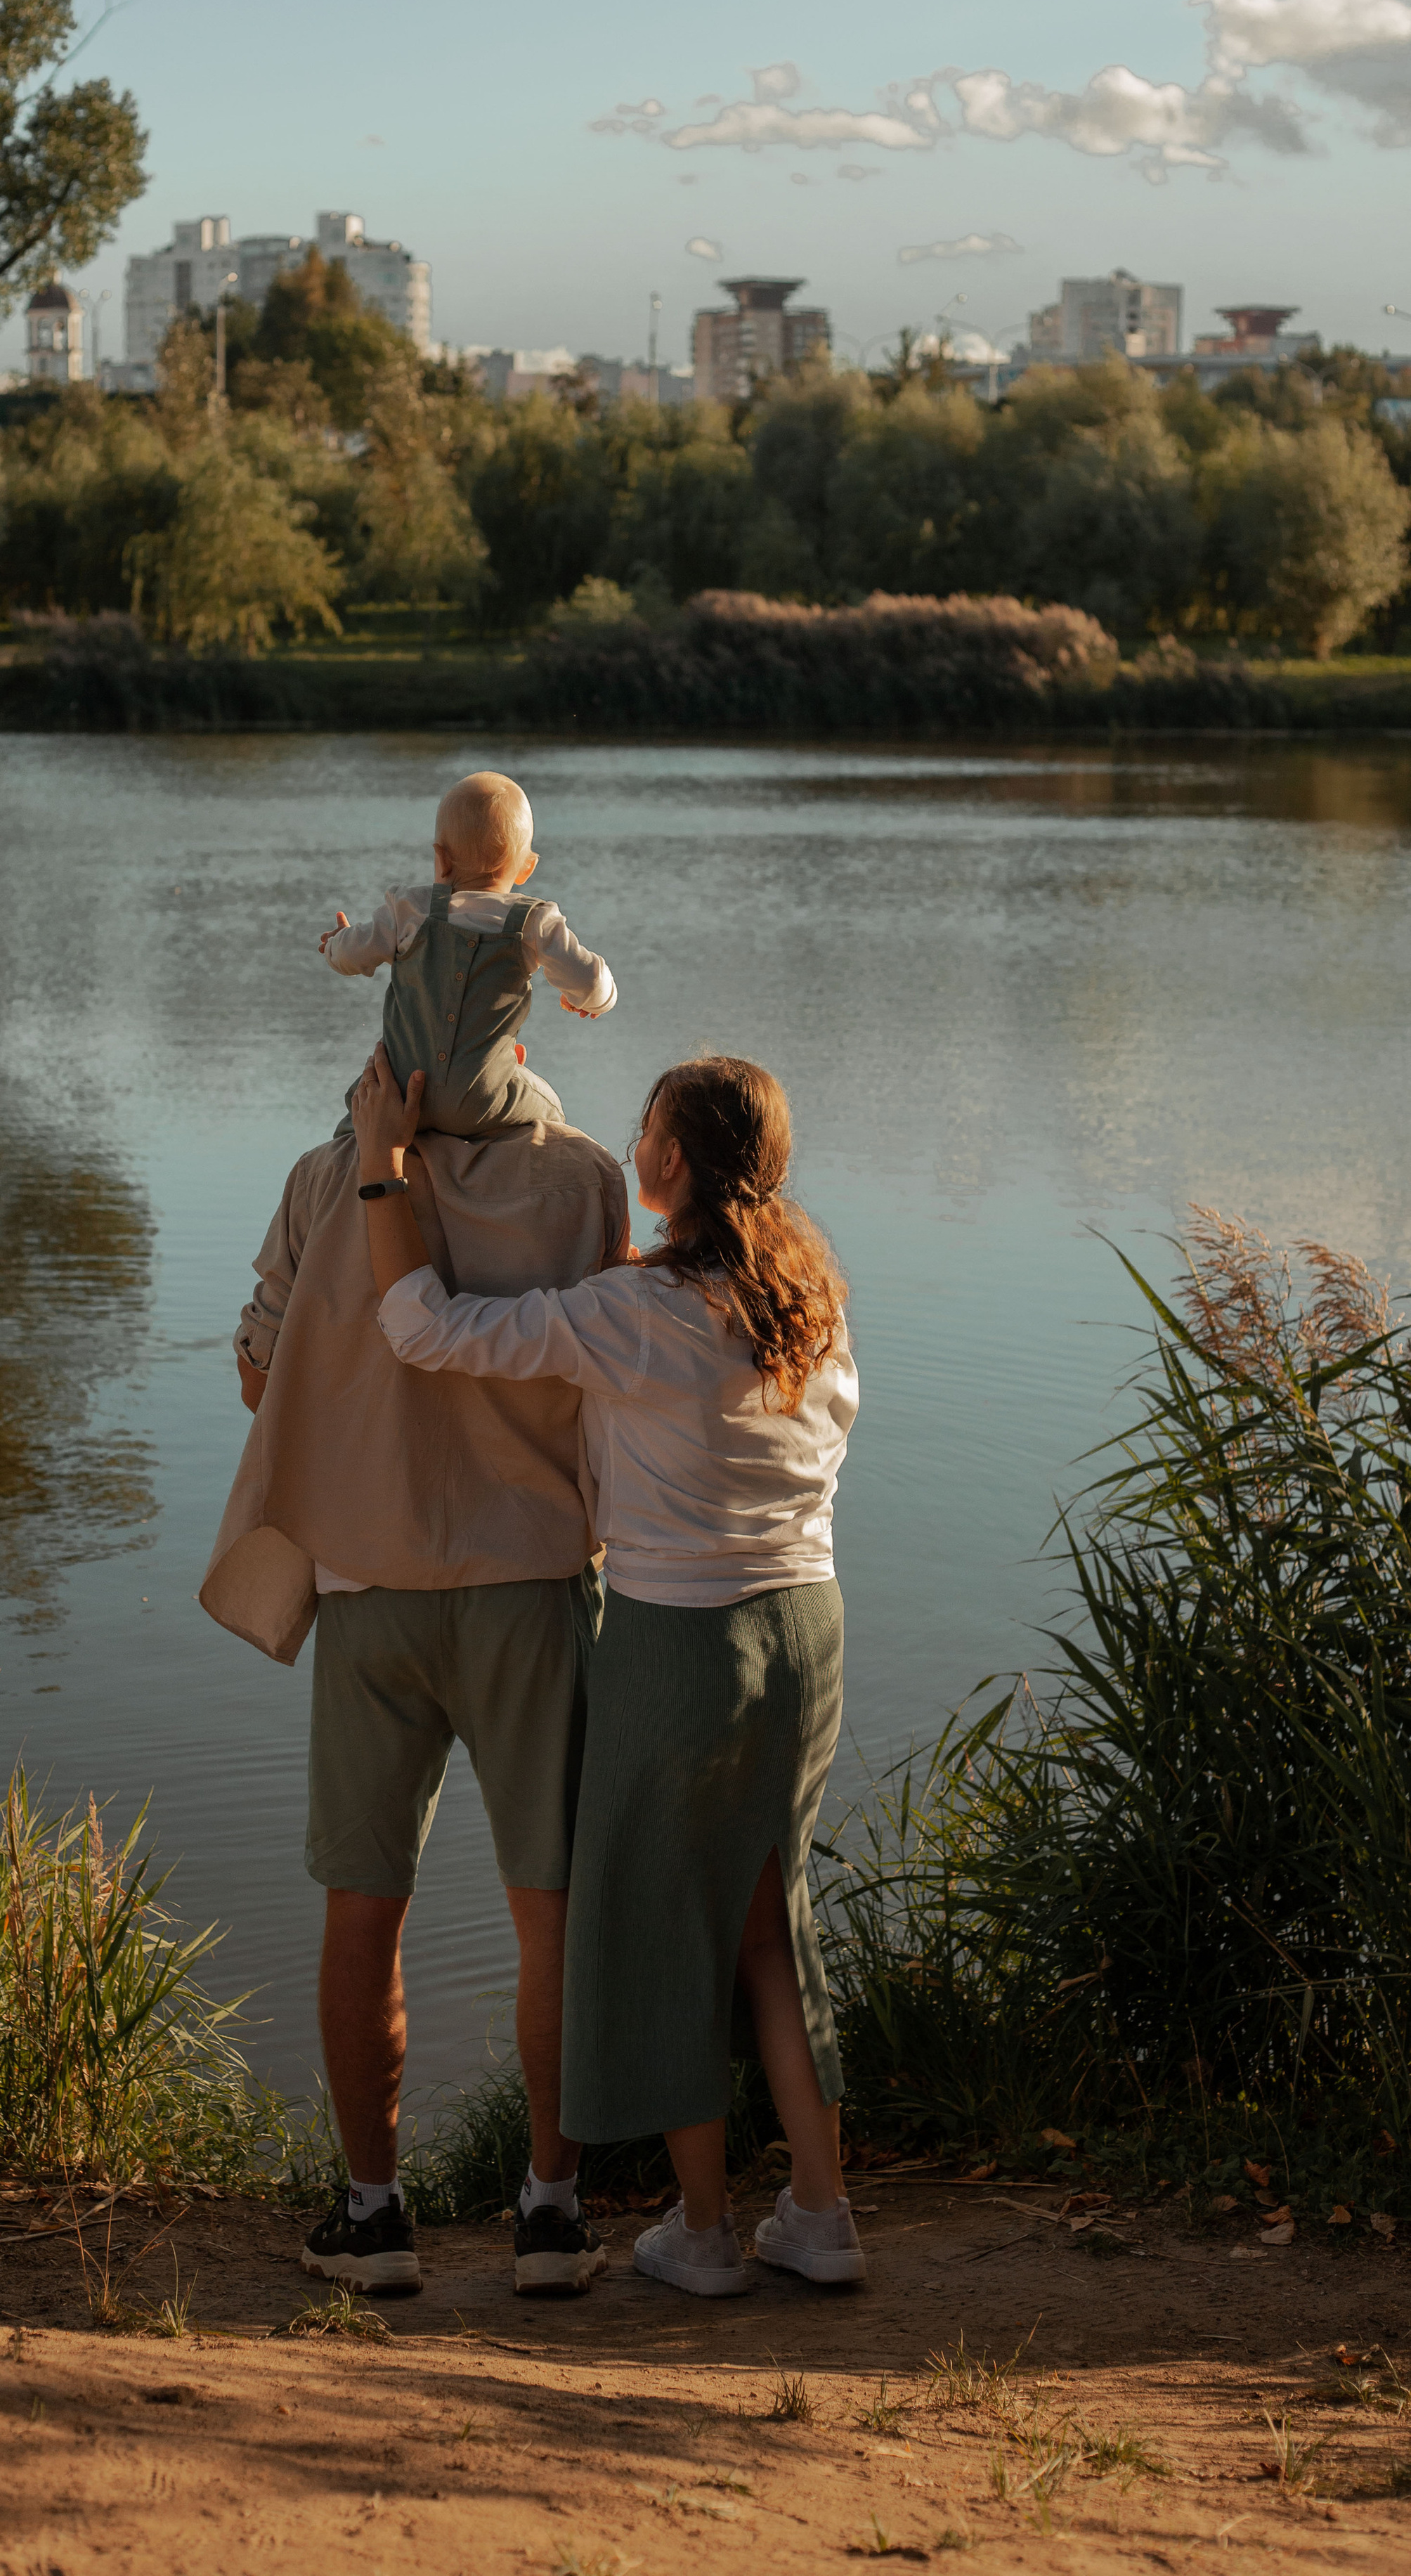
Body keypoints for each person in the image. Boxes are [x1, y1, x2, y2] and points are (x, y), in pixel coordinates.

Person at [351, 1042, 864, 2300]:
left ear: (671, 1161)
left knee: (660, 1936)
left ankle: (702, 2231)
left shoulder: (632, 1315)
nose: (631, 1148)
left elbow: (424, 1326)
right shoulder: (806, 1300)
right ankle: (821, 2212)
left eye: (644, 1130)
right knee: (764, 1933)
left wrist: (382, 1174)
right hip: (806, 1633)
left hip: (676, 1646)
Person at [200, 1083, 628, 2298]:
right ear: (515, 1039)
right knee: (550, 1911)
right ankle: (550, 2214)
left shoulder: (325, 1177)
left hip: (370, 1585)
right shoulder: (585, 1178)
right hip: (533, 1584)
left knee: (362, 1904)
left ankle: (374, 2217)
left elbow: (256, 1382)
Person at [319, 770, 615, 1139]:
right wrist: (591, 1000)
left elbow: (352, 955)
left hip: (402, 1097)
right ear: (527, 867)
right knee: (551, 1106)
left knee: (353, 1116)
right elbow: (592, 981)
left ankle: (349, 1150)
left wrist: (336, 942)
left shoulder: (408, 909)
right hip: (483, 1102)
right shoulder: (533, 922)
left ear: (440, 860)